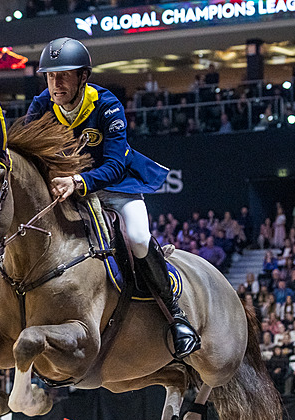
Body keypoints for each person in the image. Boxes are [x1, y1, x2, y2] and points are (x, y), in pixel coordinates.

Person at [25, 38, 200, 360]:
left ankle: (177, 317)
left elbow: (116, 164)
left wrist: (78, 181)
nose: (56, 83)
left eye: (64, 75)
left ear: (83, 76)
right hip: (65, 189)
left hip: (116, 186)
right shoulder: (40, 106)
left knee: (137, 238)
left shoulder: (106, 104)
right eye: (51, 76)